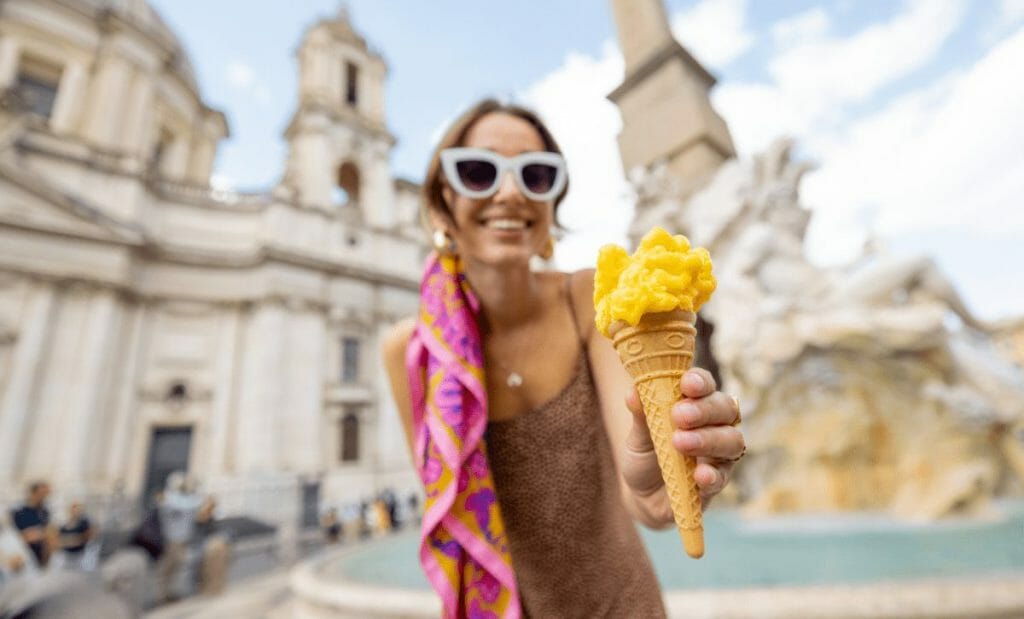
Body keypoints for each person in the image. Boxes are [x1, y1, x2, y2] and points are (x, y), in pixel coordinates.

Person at [382, 99, 746, 618]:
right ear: (442, 203)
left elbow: (643, 493)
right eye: (479, 171)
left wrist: (664, 482)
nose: (509, 192)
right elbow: (450, 508)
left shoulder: (590, 299)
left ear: (551, 203)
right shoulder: (408, 353)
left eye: (535, 175)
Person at [156, 472, 202, 603]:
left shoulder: (186, 499)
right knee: (168, 567)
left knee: (176, 566)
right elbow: (175, 507)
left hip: (183, 539)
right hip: (173, 539)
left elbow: (196, 508)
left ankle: (169, 593)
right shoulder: (168, 499)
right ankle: (163, 595)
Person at [11, 481, 55, 568]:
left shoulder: (45, 511)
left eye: (46, 494)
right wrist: (41, 534)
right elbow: (21, 536)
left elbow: (49, 533)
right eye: (41, 493)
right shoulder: (19, 511)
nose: (44, 496)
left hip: (42, 556)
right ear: (33, 493)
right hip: (23, 554)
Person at [57, 501, 95, 570]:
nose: (75, 511)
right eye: (73, 509)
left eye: (77, 509)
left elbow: (87, 536)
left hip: (80, 554)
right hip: (66, 555)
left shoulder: (84, 523)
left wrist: (73, 540)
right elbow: (59, 540)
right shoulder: (64, 525)